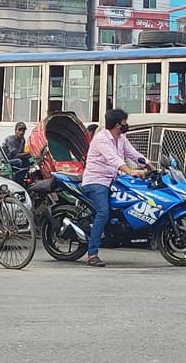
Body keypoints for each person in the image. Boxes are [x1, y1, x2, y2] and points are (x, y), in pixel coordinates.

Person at [80, 108, 151, 267]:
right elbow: (113, 159)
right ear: (117, 124)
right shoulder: (101, 139)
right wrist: (131, 171)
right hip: (96, 181)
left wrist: (149, 164)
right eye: (124, 122)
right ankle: (92, 254)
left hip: (113, 180)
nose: (126, 124)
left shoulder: (121, 138)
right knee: (103, 212)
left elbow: (133, 154)